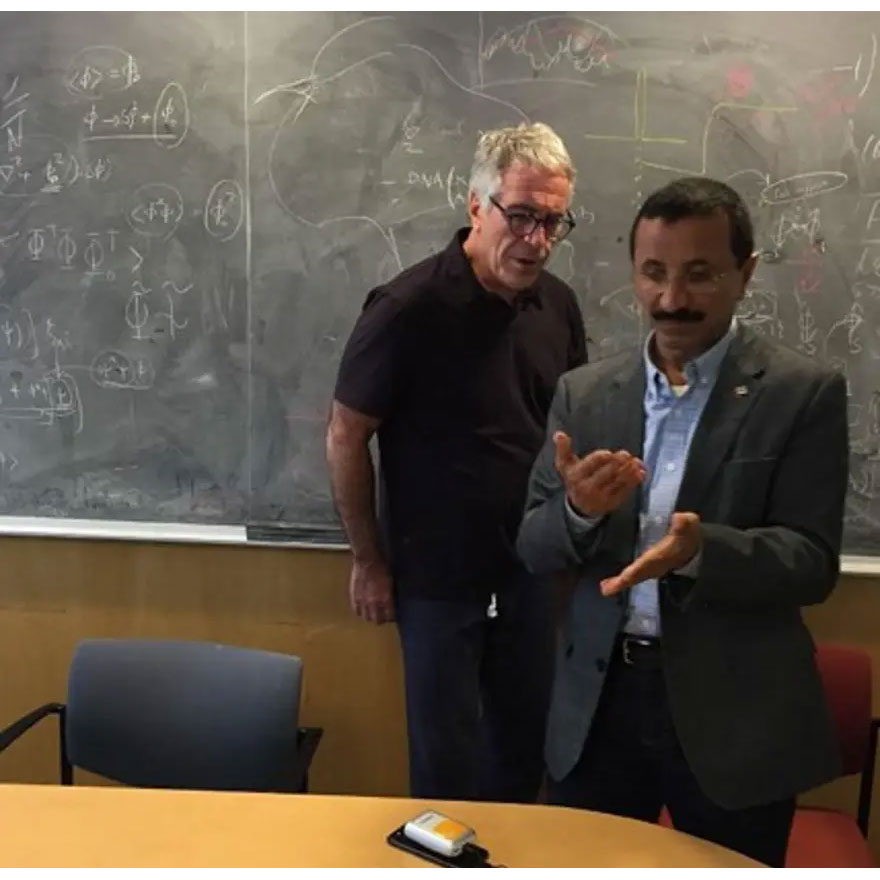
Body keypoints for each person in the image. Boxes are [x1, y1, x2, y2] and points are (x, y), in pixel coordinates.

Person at [516, 176, 849, 866]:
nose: (671, 300)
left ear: (745, 273)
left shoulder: (802, 393)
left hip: (735, 716)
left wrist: (703, 551)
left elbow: (812, 561)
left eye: (700, 275)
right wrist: (578, 511)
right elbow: (534, 545)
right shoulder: (585, 394)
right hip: (599, 707)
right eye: (653, 273)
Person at [326, 122, 587, 802]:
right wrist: (368, 560)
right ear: (477, 205)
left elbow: (568, 431)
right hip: (435, 578)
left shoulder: (557, 306)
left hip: (531, 571)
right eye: (521, 216)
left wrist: (570, 545)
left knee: (524, 754)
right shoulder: (406, 309)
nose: (536, 240)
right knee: (445, 764)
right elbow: (347, 435)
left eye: (553, 222)